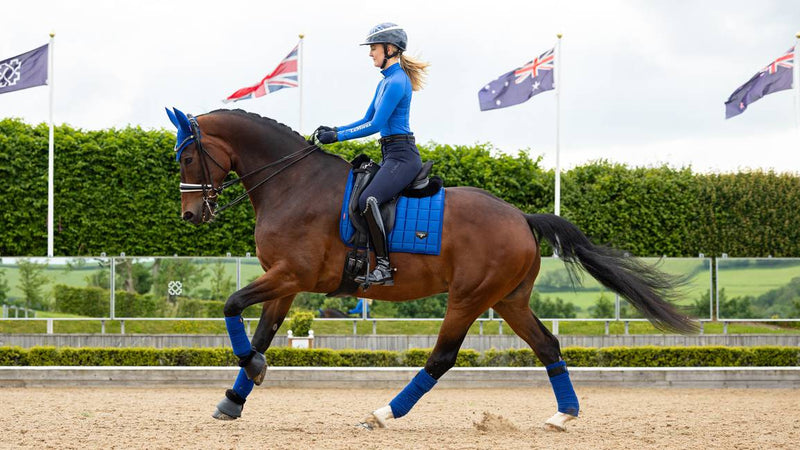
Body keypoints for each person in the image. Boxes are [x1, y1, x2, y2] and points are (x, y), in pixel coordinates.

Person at [313, 22, 430, 286]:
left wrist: (338, 137)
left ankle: (385, 267)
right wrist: (335, 130)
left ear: (390, 49)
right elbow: (366, 118)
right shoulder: (385, 82)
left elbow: (376, 126)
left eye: (374, 48)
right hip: (391, 154)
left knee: (369, 199)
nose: (370, 54)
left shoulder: (398, 82)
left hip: (402, 157)